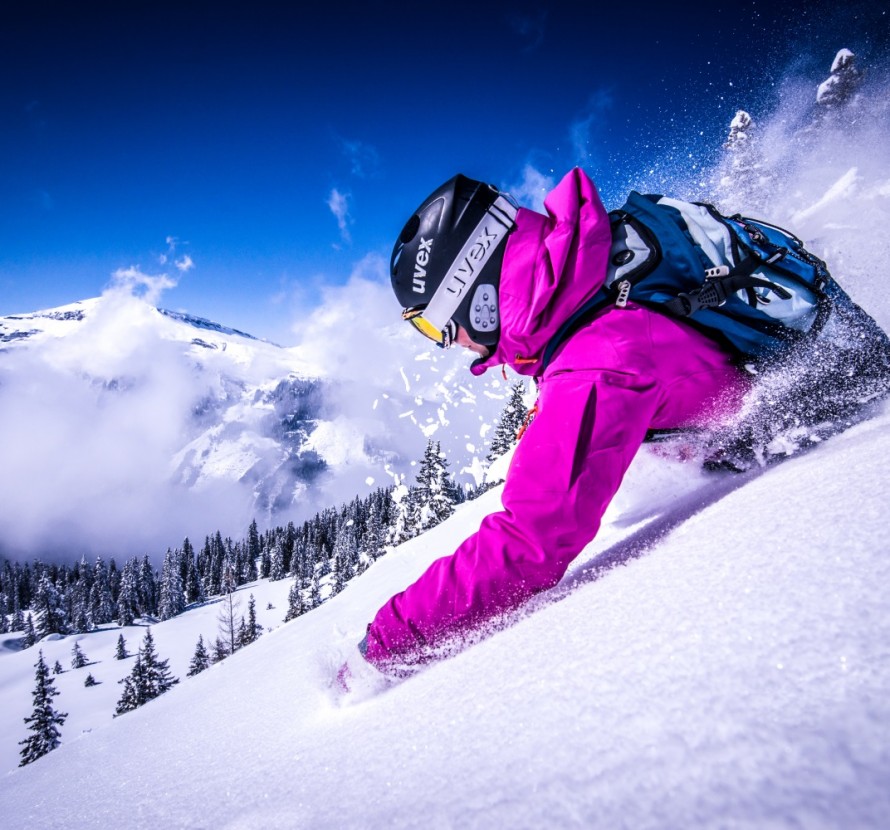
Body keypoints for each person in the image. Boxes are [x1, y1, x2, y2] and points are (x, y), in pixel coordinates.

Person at [335, 167, 877, 692]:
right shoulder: (591, 267)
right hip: (759, 399)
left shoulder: (596, 364)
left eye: (436, 325)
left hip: (797, 423)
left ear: (476, 294)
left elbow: (530, 541)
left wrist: (380, 649)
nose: (450, 343)